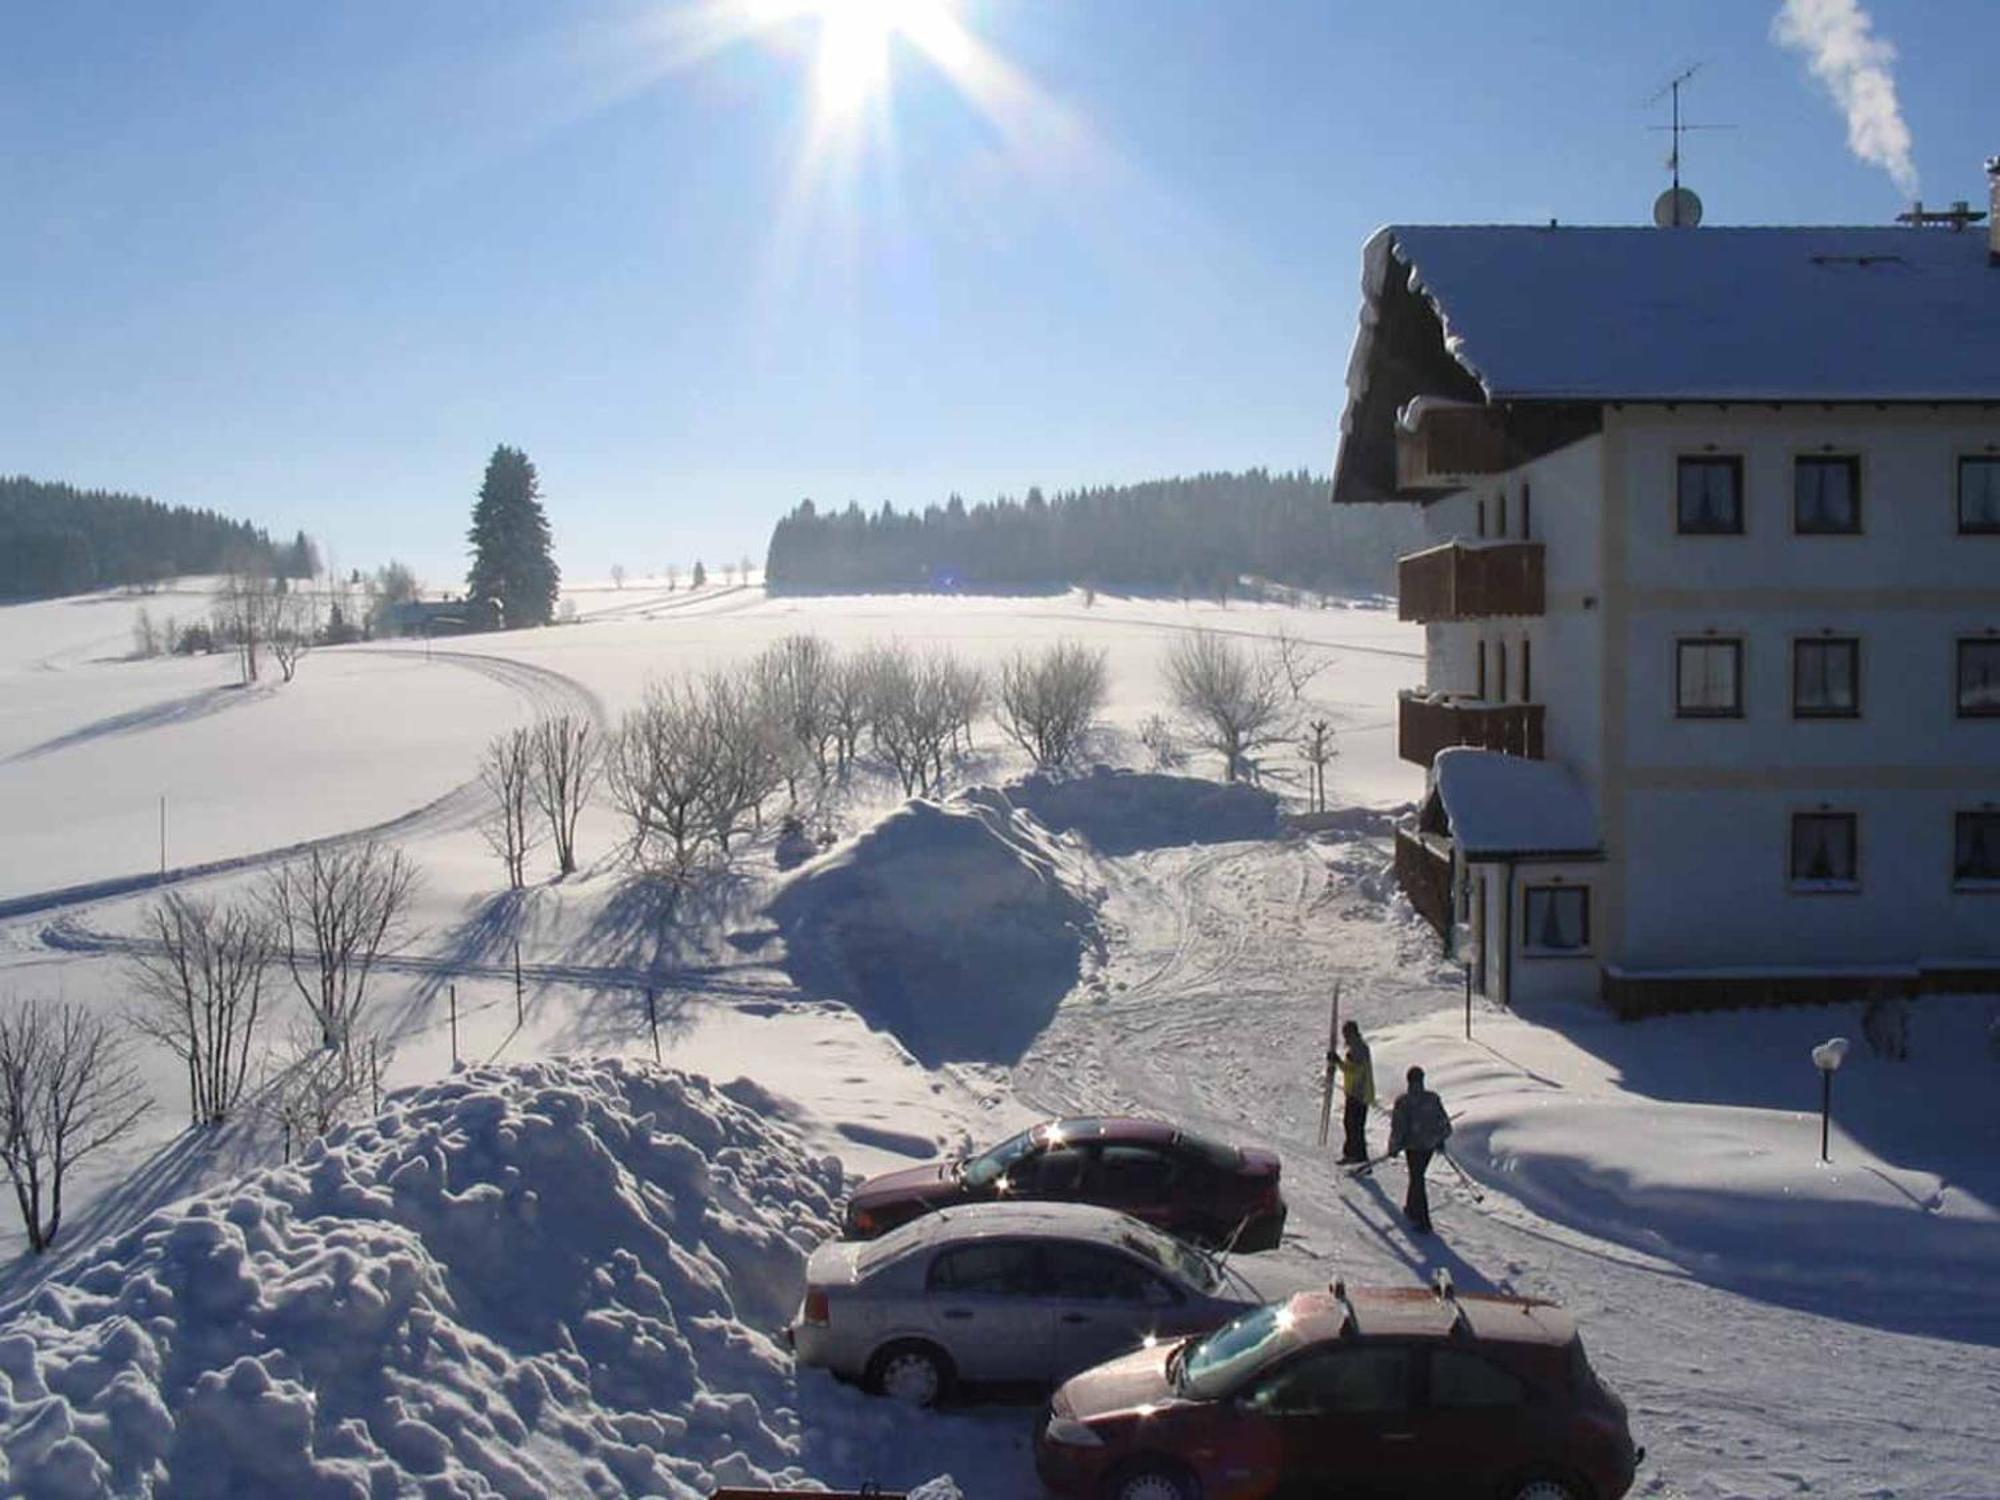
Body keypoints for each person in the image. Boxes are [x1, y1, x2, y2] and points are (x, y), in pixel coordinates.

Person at [1386, 1065, 1452, 1234]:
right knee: (1416, 1176)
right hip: (1428, 1145)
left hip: (1414, 1146)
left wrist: (1393, 1147)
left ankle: (1423, 1220)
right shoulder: (1432, 1098)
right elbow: (1443, 1122)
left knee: (1417, 1178)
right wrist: (1439, 1139)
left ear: (1408, 1081)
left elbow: (1398, 1127)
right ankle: (1411, 1208)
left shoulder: (1404, 1102)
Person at [1336, 1020, 1375, 1164]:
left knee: (1354, 1125)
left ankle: (1358, 1155)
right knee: (1351, 1124)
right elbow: (1350, 1069)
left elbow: (1355, 1070)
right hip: (1354, 1092)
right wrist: (1339, 1062)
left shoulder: (1359, 1048)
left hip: (1359, 1093)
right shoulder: (1355, 1048)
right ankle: (1353, 1153)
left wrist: (1340, 1063)